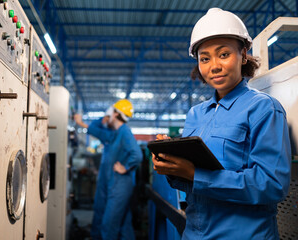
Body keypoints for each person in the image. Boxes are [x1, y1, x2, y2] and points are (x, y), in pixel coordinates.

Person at [152, 8, 291, 239]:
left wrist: (197, 175)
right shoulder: (196, 114)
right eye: (204, 58)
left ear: (243, 55)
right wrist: (172, 167)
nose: (213, 66)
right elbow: (193, 184)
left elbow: (273, 184)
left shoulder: (263, 109)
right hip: (194, 234)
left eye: (223, 54)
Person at [75, 99, 143, 240]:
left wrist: (125, 167)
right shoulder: (113, 133)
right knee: (122, 224)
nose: (109, 115)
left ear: (117, 114)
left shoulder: (124, 132)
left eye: (111, 112)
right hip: (112, 184)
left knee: (109, 224)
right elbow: (94, 128)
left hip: (120, 186)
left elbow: (137, 154)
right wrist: (104, 118)